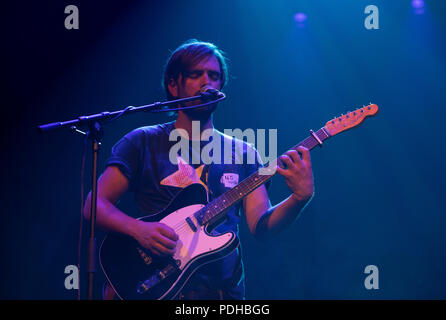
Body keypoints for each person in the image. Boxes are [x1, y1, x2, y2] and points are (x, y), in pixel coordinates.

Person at [83, 39, 314, 300]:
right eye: (196, 74)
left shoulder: (244, 152)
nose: (207, 82)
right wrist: (139, 230)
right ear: (173, 84)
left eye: (214, 76)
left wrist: (298, 198)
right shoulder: (142, 141)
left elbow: (261, 228)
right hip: (155, 286)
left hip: (222, 295)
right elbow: (94, 206)